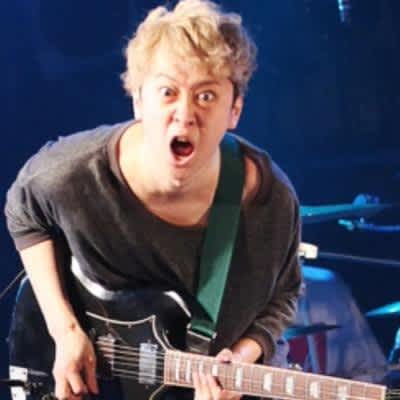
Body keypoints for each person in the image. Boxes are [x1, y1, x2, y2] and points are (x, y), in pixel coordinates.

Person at [4, 0, 302, 399]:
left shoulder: (270, 200)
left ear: (235, 110)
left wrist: (241, 359)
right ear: (138, 102)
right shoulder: (76, 173)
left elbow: (284, 295)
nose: (185, 114)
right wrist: (65, 330)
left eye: (206, 96)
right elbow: (24, 210)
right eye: (167, 92)